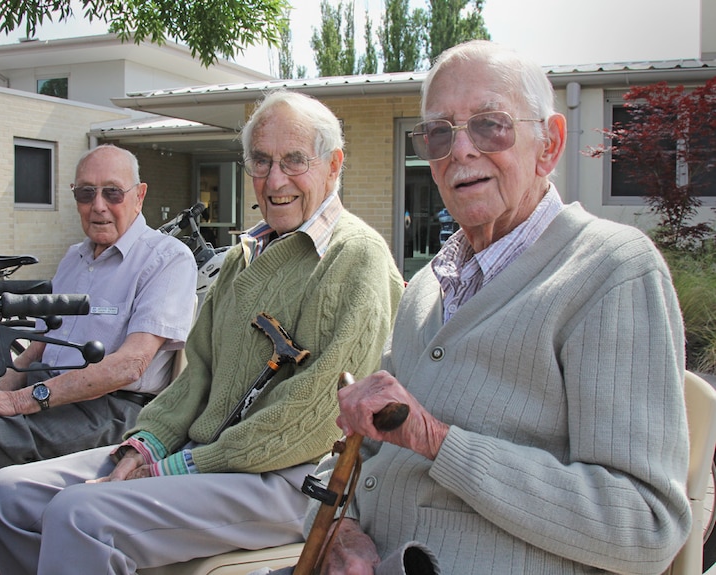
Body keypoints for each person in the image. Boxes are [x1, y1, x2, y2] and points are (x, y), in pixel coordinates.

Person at [294, 40, 691, 575]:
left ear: (548, 145)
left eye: (489, 124)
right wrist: (338, 533)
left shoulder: (611, 272)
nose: (460, 151)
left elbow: (644, 528)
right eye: (438, 133)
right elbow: (359, 448)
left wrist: (436, 441)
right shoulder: (429, 289)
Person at [0, 89, 405, 575]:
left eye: (294, 161)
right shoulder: (245, 254)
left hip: (288, 479)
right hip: (205, 459)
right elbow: (195, 374)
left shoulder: (357, 258)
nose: (275, 179)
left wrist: (172, 468)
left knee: (80, 515)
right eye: (260, 162)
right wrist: (147, 445)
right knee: (6, 496)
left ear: (333, 165)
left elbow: (312, 419)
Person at [0, 144, 198, 520]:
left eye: (112, 192)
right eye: (85, 193)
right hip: (48, 391)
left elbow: (131, 365)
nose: (98, 205)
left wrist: (18, 402)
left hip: (110, 408)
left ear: (139, 195)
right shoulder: (74, 257)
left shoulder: (166, 258)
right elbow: (37, 350)